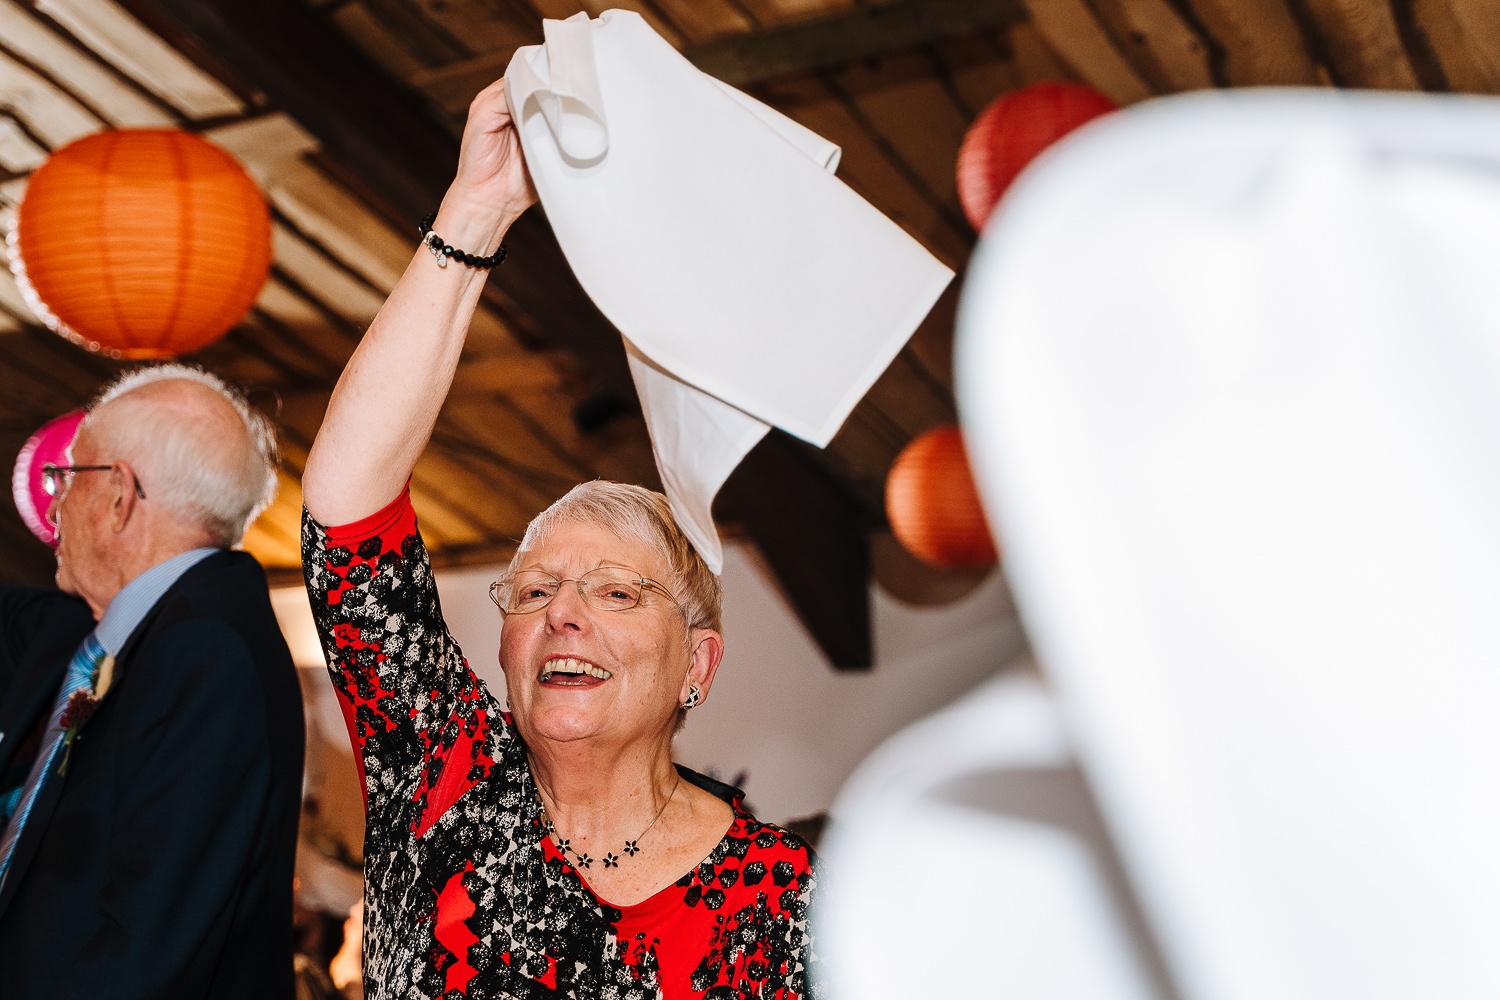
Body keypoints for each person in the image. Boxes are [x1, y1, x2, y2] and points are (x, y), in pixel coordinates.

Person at [300, 78, 817, 999]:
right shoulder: (442, 775)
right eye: (534, 592)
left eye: (617, 592)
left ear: (700, 662)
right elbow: (346, 509)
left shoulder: (783, 906)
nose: (564, 615)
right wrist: (479, 208)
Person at [0, 365, 305, 997]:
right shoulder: (120, 632)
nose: (52, 502)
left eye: (65, 475)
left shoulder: (207, 652)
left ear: (118, 493)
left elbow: (147, 946)